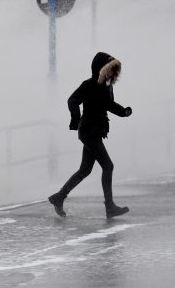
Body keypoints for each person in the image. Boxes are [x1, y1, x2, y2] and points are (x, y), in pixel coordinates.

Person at [48, 52, 132, 218]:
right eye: (111, 70)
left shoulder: (107, 86)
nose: (113, 74)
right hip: (88, 131)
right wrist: (75, 120)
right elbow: (72, 100)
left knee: (85, 170)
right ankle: (109, 207)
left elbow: (109, 104)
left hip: (96, 131)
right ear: (101, 69)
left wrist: (124, 112)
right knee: (108, 166)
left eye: (116, 71)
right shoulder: (89, 84)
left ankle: (59, 197)